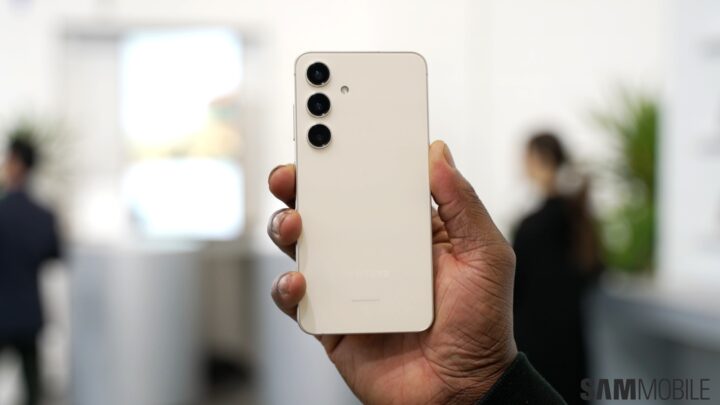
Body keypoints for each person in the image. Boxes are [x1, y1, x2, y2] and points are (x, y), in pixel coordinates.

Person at [267, 140, 566, 404]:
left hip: (532, 335)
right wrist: (481, 387)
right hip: (558, 339)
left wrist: (479, 383)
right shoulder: (570, 215)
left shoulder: (535, 222)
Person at [513, 133, 602, 405]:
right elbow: (594, 272)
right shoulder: (576, 215)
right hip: (571, 341)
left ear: (538, 158)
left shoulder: (532, 226)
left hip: (536, 345)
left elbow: (515, 285)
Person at [0, 137, 61, 405]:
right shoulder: (44, 214)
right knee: (32, 389)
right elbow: (54, 254)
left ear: (16, 163)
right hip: (29, 313)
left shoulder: (2, 212)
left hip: (2, 311)